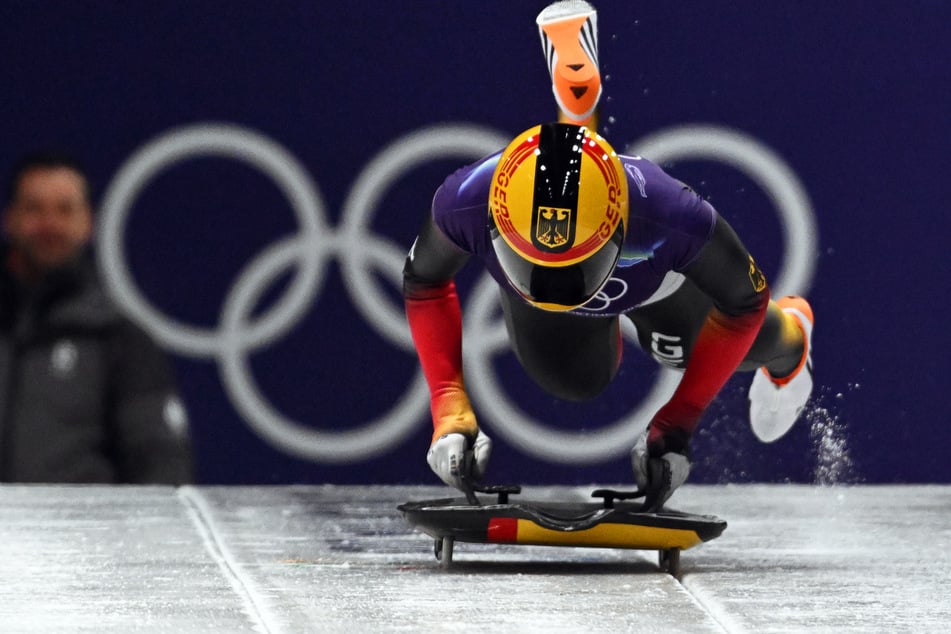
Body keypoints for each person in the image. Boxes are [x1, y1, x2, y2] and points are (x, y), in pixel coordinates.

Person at [402, 122, 814, 510]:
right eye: (535, 264)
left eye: (573, 268)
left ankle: (794, 338)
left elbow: (745, 301)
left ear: (619, 229)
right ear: (492, 222)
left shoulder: (670, 214)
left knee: (686, 354)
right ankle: (596, 324)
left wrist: (678, 422)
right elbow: (423, 282)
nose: (558, 288)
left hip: (658, 289)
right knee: (575, 380)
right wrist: (448, 407)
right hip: (570, 296)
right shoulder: (465, 200)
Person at [0, 150, 193, 484]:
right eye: (34, 209)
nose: (49, 224)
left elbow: (160, 463)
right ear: (10, 219)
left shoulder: (119, 339)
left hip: (76, 534)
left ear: (87, 222)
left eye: (64, 210)